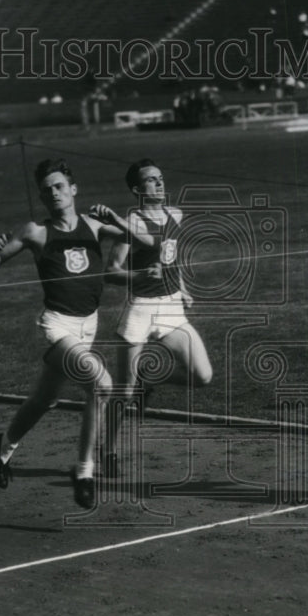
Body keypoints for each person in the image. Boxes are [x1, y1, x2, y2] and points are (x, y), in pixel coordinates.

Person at [0, 159, 153, 509]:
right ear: (42, 198)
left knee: (44, 400)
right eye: (47, 190)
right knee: (101, 385)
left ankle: (5, 448)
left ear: (73, 189)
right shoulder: (36, 232)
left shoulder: (94, 224)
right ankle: (84, 470)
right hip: (57, 325)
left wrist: (116, 220)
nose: (53, 193)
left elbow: (146, 242)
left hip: (87, 327)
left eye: (59, 186)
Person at [101, 159, 213, 477]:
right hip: (141, 308)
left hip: (171, 307)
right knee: (123, 391)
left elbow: (172, 259)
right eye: (152, 180)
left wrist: (184, 289)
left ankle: (147, 382)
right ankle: (107, 451)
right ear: (138, 189)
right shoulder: (130, 224)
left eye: (161, 178)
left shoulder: (175, 215)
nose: (160, 184)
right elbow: (110, 273)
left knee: (202, 376)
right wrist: (138, 274)